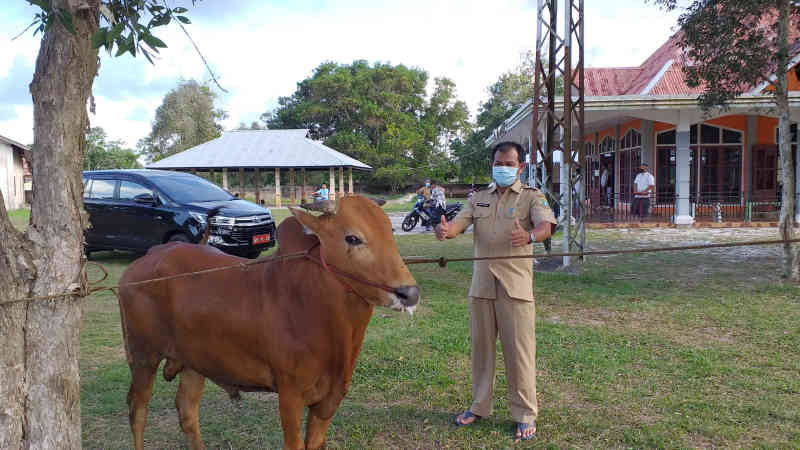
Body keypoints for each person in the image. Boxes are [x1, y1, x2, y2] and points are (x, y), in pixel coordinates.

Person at [435, 141, 557, 442]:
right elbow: (458, 225)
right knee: (481, 352)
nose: (502, 168)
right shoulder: (478, 198)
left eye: (508, 164)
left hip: (515, 289)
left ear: (520, 167)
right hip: (482, 287)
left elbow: (547, 226)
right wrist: (445, 231)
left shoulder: (531, 196)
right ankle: (479, 406)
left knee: (520, 355)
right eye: (498, 163)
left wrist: (529, 235)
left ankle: (525, 414)